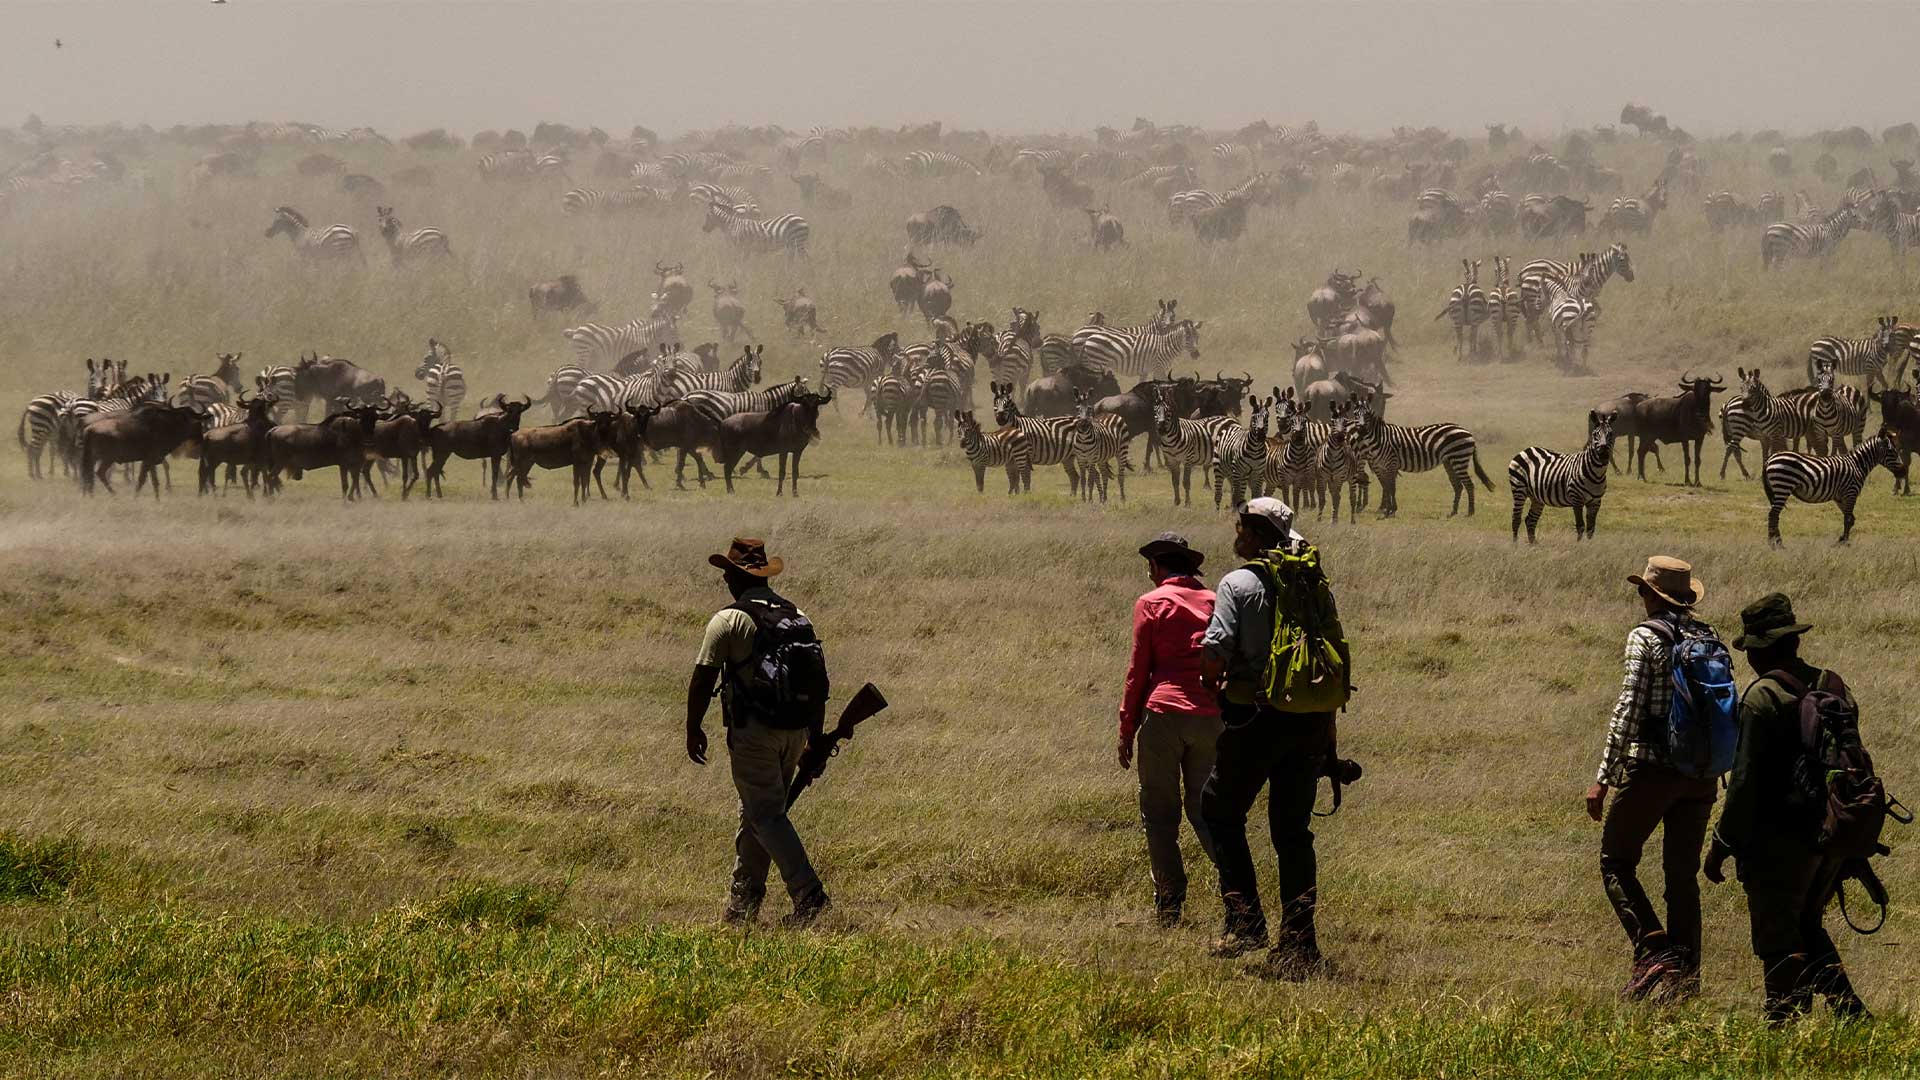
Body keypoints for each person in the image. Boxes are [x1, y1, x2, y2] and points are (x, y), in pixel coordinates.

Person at [1704, 594, 1869, 1023]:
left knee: (1778, 934)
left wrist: (1722, 843)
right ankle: (1850, 1014)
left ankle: (1782, 1022)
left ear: (1762, 649)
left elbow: (1744, 784)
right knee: (1808, 923)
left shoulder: (1763, 697)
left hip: (1780, 837)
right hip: (1833, 831)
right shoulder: (1834, 684)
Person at [1198, 498, 1343, 978]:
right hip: (1309, 721)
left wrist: (1210, 678)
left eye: (1240, 528)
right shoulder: (1310, 580)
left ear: (1255, 535)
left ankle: (1245, 923)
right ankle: (1300, 942)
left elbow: (1216, 648)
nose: (1235, 535)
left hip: (1253, 718)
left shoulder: (1237, 583)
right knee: (1292, 832)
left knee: (1220, 811)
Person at [1587, 556, 1715, 1000]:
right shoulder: (1706, 634)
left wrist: (1603, 777)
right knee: (1681, 876)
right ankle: (1687, 980)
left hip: (1652, 768)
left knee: (1616, 862)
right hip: (1701, 774)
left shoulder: (1645, 637)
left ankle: (1652, 948)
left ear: (1649, 594)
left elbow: (1629, 707)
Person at [685, 537, 831, 928]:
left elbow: (703, 679)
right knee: (758, 813)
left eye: (727, 575)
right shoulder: (797, 614)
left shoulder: (729, 619)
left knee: (765, 814)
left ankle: (809, 896)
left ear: (734, 577)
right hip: (795, 731)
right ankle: (742, 905)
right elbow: (817, 684)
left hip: (754, 732)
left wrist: (693, 727)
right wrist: (813, 740)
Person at [1118, 531, 1221, 928]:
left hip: (1163, 714)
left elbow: (1137, 670)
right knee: (1208, 812)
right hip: (1211, 716)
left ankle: (1170, 903)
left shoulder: (1151, 602)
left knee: (1159, 815)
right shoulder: (1215, 600)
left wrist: (1127, 728)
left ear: (1158, 567)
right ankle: (1238, 896)